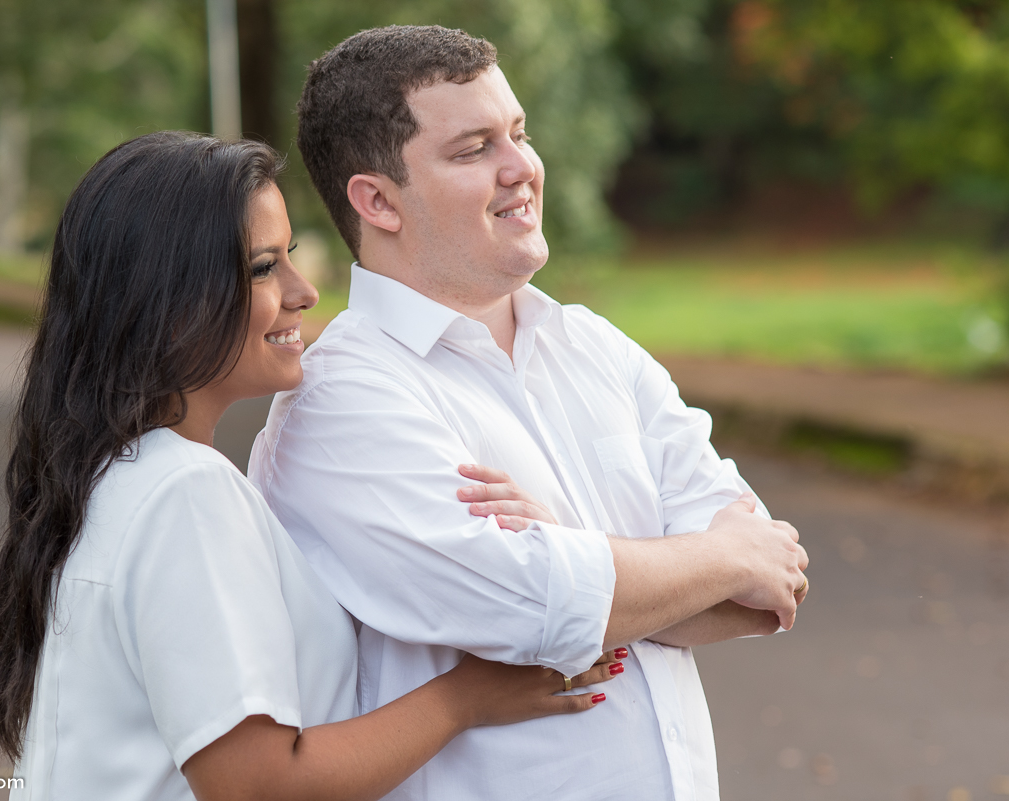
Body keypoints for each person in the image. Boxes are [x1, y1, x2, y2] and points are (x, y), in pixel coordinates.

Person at [250, 25, 810, 801]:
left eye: (519, 132)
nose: (523, 168)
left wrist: (578, 557)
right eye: (474, 148)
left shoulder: (592, 346)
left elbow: (768, 587)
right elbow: (535, 608)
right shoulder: (343, 400)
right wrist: (706, 560)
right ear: (377, 200)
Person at [0, 131, 619, 801]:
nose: (303, 291)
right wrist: (466, 697)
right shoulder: (183, 493)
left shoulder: (120, 476)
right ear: (164, 300)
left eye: (290, 258)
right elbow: (255, 783)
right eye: (261, 268)